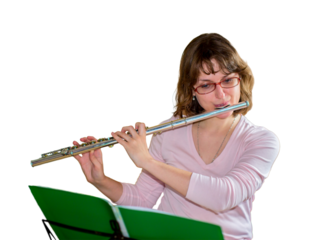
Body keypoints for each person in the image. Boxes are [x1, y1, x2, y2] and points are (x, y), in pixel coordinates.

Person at [73, 30, 280, 240]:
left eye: (228, 81)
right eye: (207, 85)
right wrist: (99, 179)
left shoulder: (262, 140)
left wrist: (147, 161)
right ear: (192, 89)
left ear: (241, 78)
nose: (221, 95)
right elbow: (142, 199)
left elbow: (224, 196)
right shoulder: (169, 131)